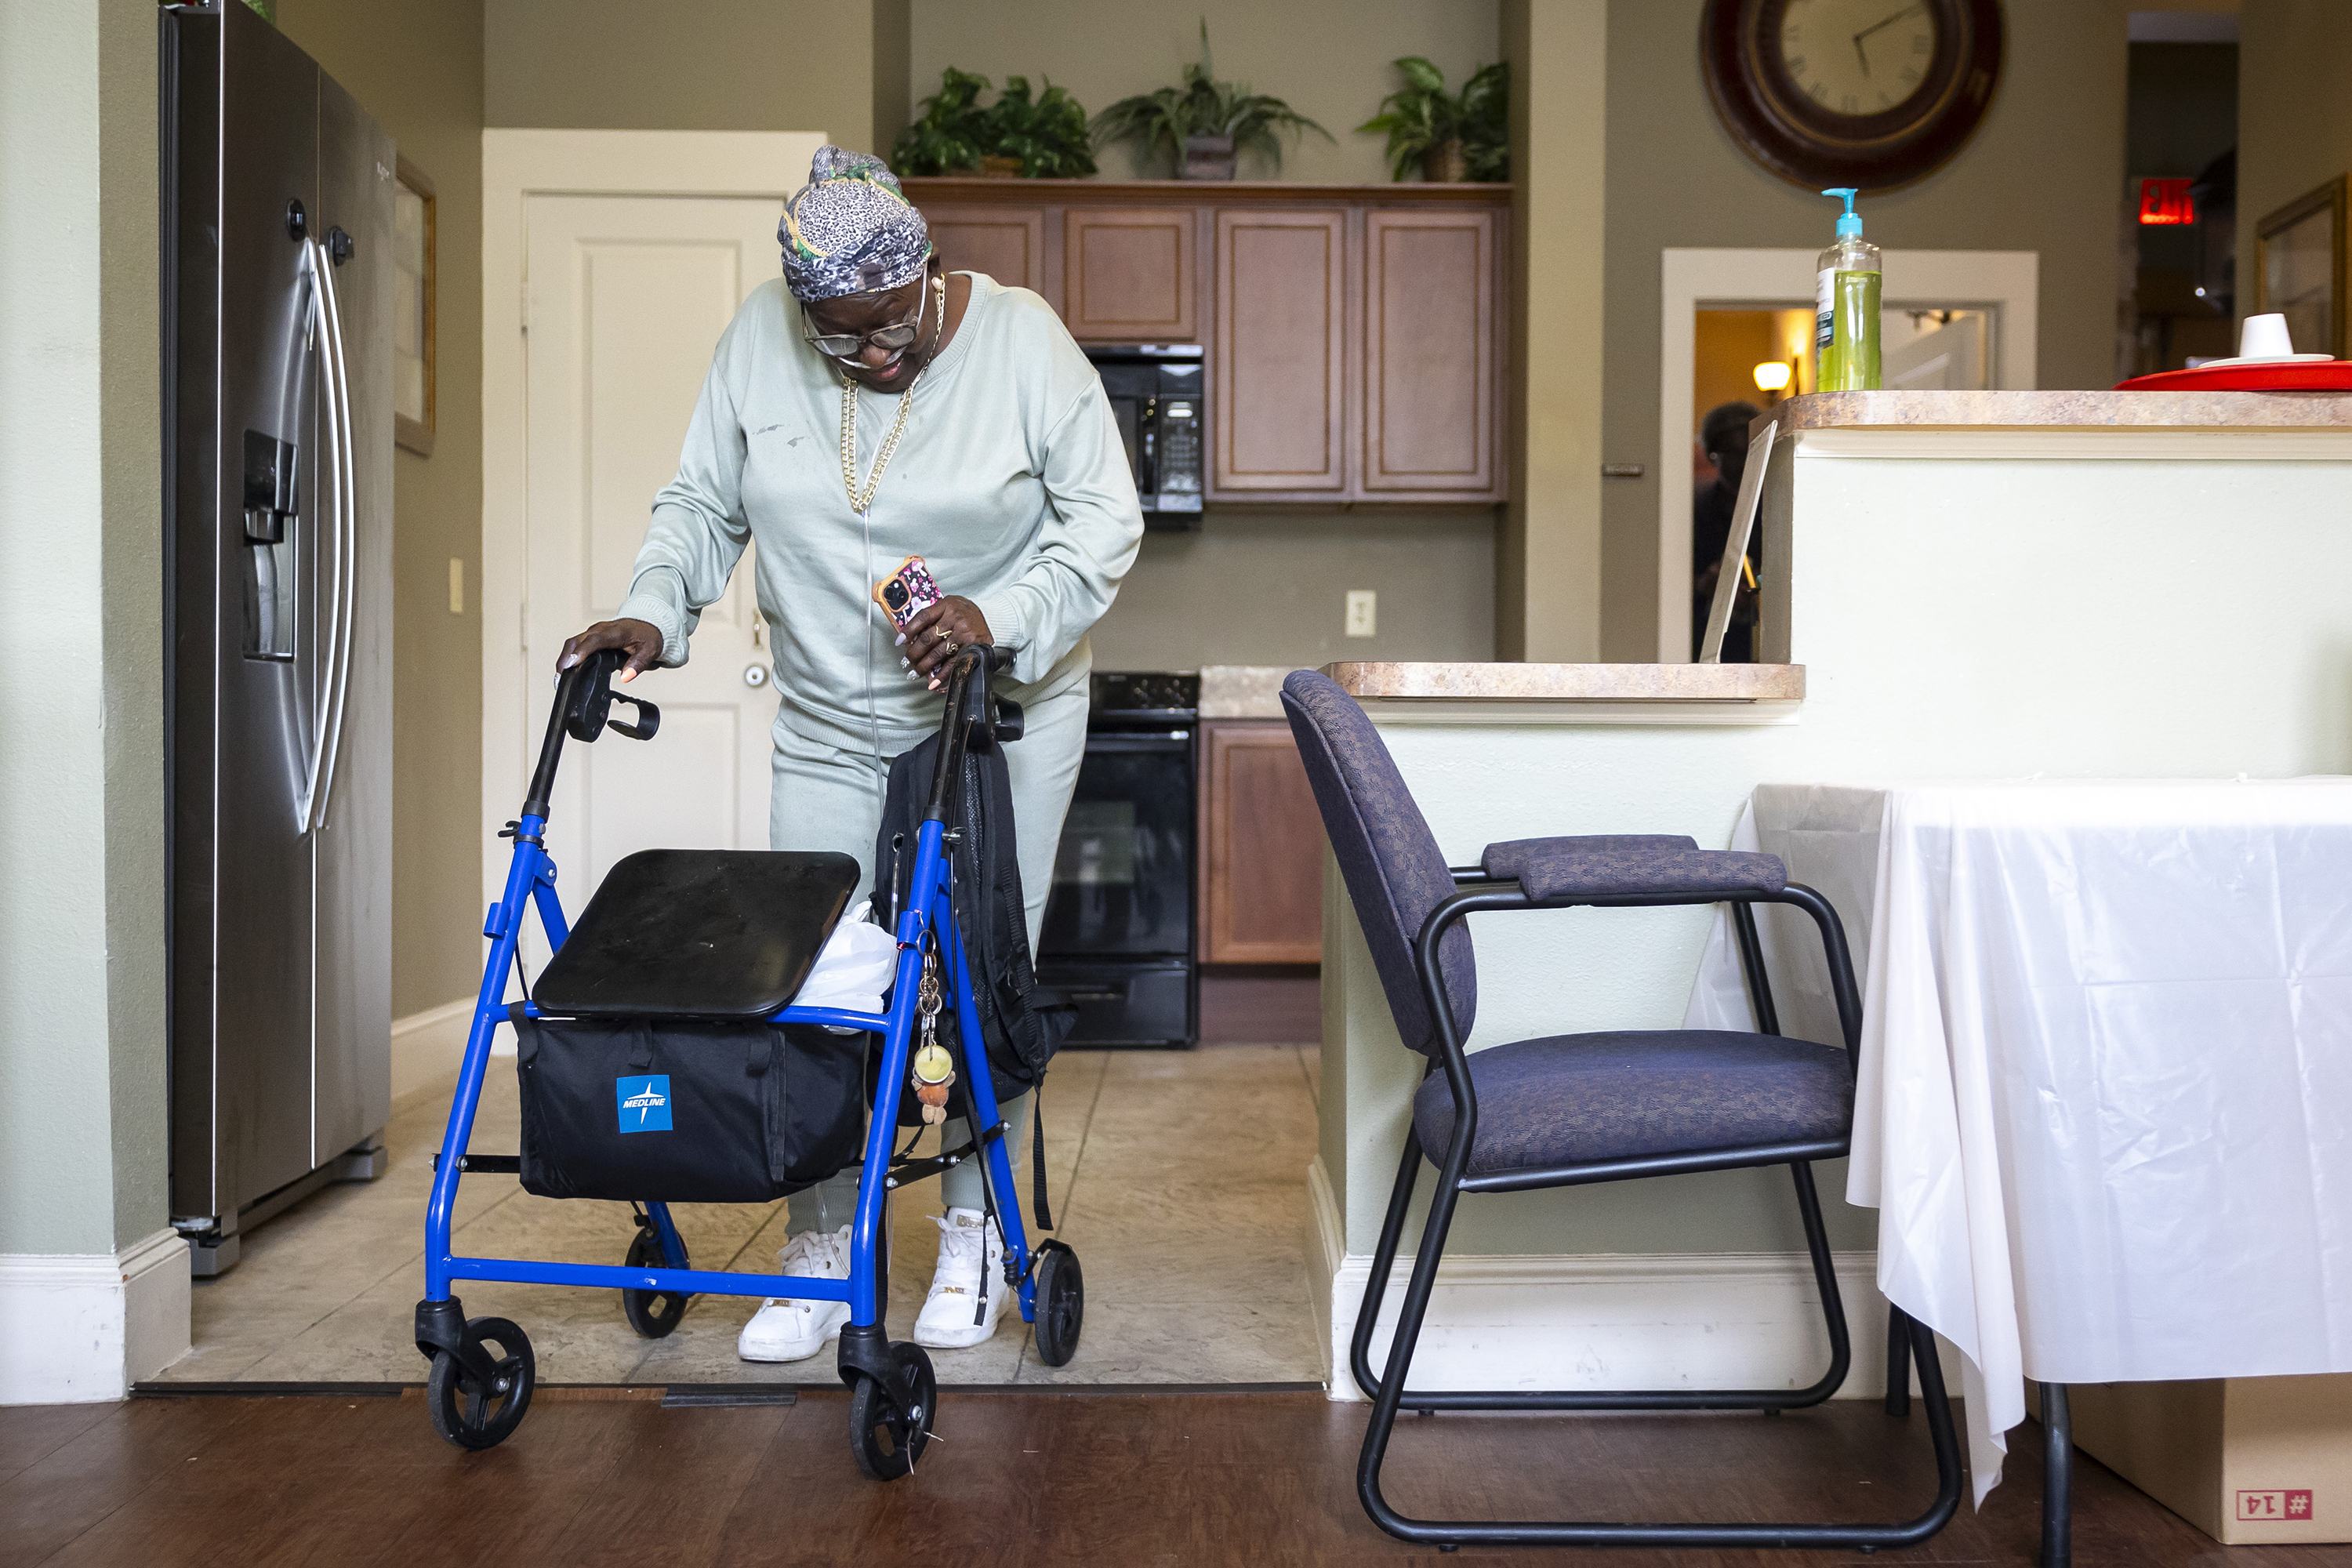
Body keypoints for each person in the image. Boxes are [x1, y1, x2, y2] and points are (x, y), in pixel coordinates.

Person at [557, 147, 1143, 1360]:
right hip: (829, 714)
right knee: (814, 979)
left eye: (891, 330)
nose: (874, 358)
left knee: (980, 979)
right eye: (843, 340)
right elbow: (701, 506)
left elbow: (1104, 519)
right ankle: (822, 1242)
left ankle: (976, 1235)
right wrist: (652, 613)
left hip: (997, 718)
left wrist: (1002, 614)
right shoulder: (757, 344)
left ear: (928, 273)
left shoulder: (1024, 343)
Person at [1691, 399, 1764, 662]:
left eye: (1749, 453)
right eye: (1731, 454)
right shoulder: (1692, 513)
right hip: (1703, 641)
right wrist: (1703, 584)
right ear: (1713, 456)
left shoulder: (1781, 508)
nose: (1743, 464)